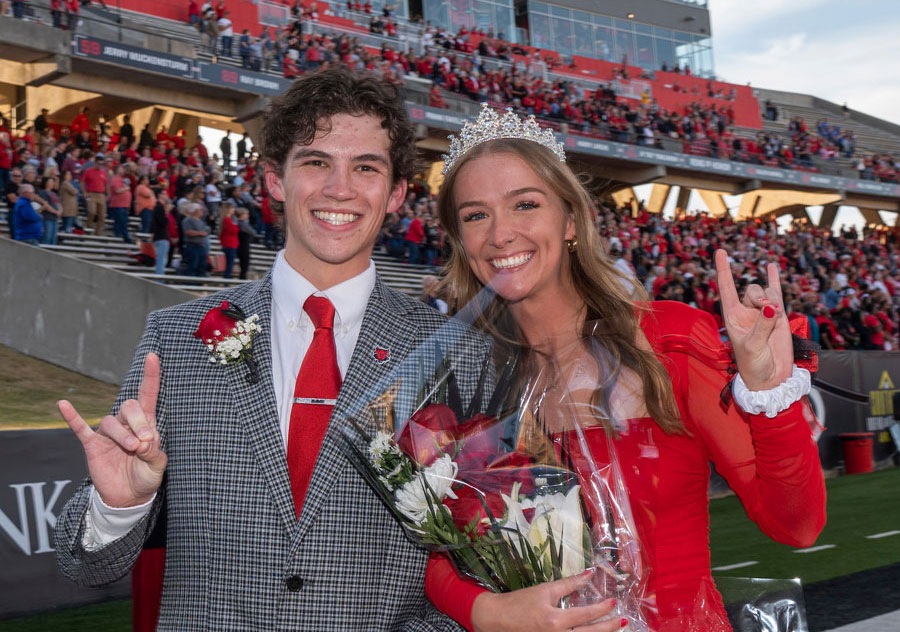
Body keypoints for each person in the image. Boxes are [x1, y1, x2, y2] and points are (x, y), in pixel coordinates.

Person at [54, 67, 490, 631]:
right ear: (274, 180)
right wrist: (121, 506)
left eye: (366, 167)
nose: (341, 188)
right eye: (316, 162)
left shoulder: (457, 354)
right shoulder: (177, 339)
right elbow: (84, 563)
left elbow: (480, 566)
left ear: (398, 192)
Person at [426, 106, 827, 632]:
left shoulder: (670, 341)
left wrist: (772, 393)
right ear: (460, 239)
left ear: (571, 219)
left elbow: (795, 525)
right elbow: (430, 552)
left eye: (525, 204)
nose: (501, 234)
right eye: (475, 215)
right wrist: (487, 611)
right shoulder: (463, 378)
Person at [82, 153, 109, 236]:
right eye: (99, 163)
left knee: (102, 215)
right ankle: (88, 227)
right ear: (95, 163)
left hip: (101, 194)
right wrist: (84, 192)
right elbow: (82, 182)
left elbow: (106, 184)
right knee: (92, 211)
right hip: (91, 194)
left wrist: (108, 195)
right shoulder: (88, 171)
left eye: (102, 164)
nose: (101, 165)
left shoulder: (103, 173)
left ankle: (98, 232)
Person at [218, 200, 239, 278]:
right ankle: (227, 278)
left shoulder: (228, 219)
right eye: (232, 208)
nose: (234, 210)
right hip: (229, 244)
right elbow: (234, 230)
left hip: (230, 244)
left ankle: (227, 277)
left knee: (230, 263)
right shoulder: (227, 220)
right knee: (230, 263)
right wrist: (236, 226)